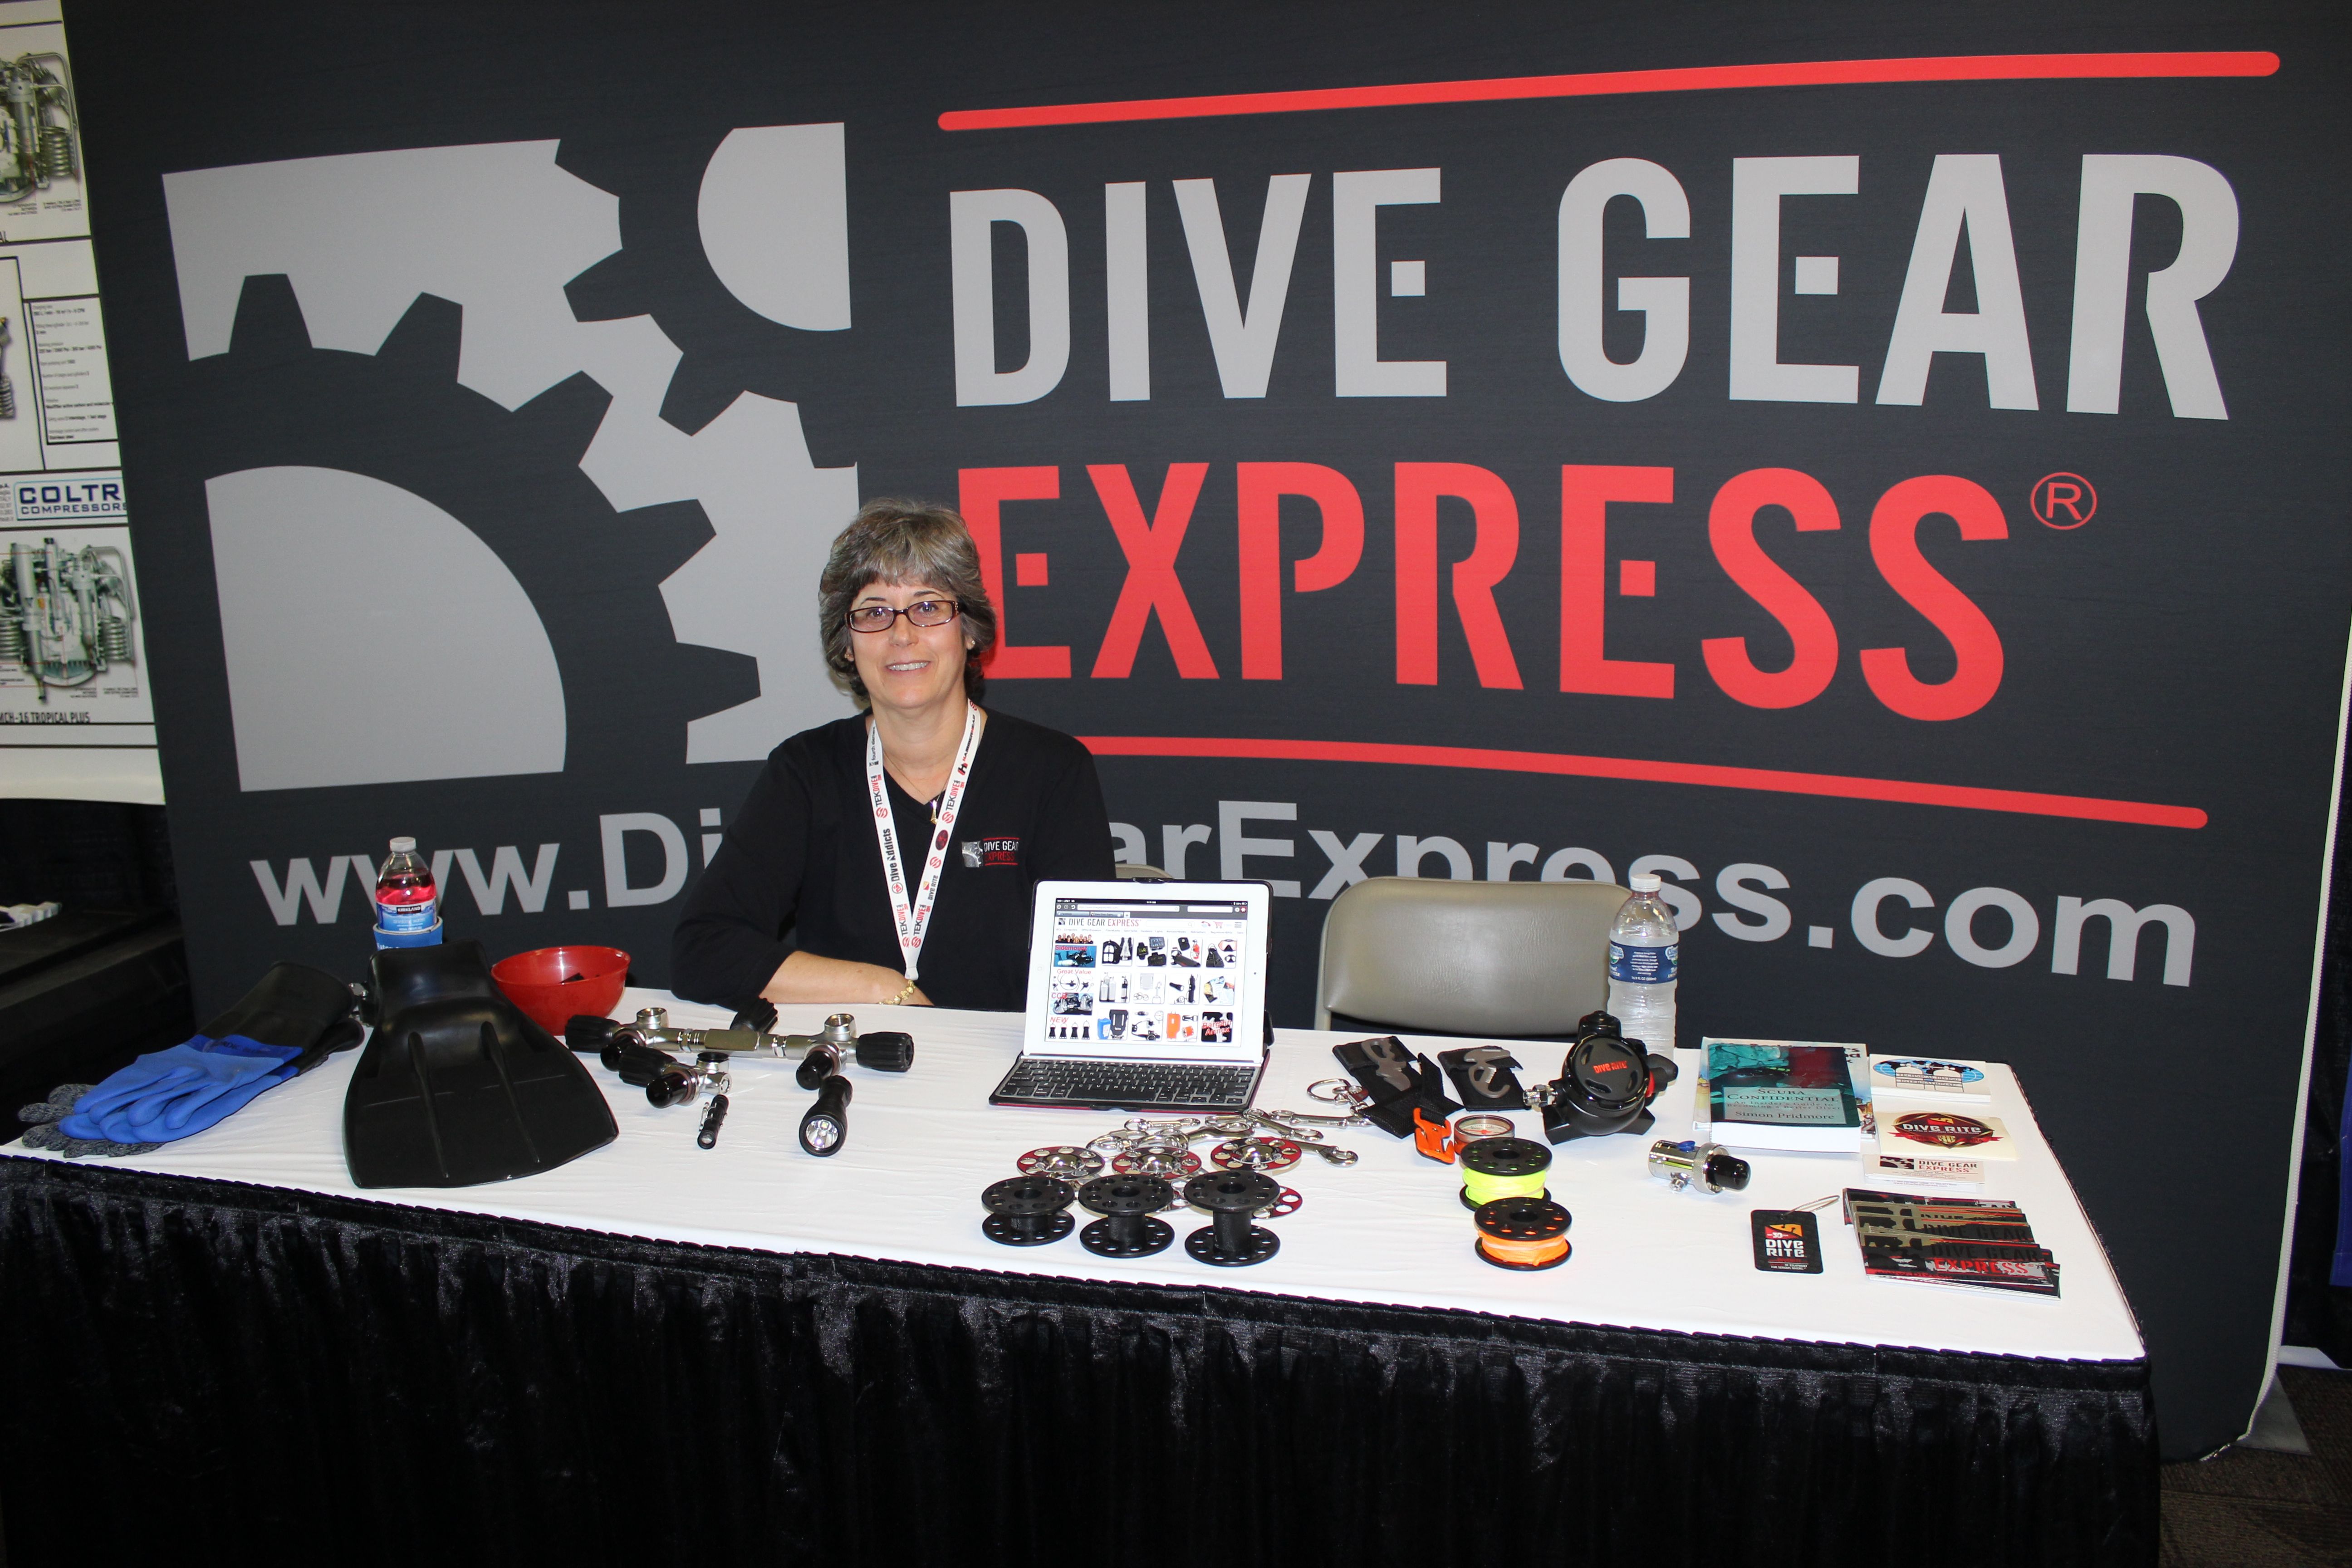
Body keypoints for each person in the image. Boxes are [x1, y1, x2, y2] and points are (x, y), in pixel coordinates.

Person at [671, 500, 1116, 1011]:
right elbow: (702, 950)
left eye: (928, 608)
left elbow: (1090, 966)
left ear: (969, 630)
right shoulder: (807, 771)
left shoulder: (1052, 770)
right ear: (847, 645)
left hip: (1001, 1057)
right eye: (875, 612)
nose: (902, 635)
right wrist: (882, 989)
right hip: (859, 1054)